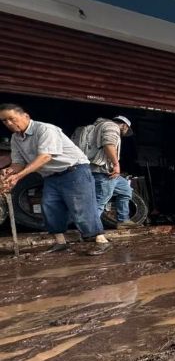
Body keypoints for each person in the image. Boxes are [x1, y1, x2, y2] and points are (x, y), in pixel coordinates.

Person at [0, 103, 110, 254]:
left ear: (25, 116)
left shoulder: (45, 129)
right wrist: (10, 171)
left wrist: (18, 176)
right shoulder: (15, 138)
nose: (9, 124)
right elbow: (18, 162)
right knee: (50, 206)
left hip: (75, 170)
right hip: (51, 175)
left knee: (81, 207)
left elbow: (45, 156)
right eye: (5, 121)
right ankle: (60, 243)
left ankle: (100, 240)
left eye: (12, 119)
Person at [73, 116, 135, 228]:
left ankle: (123, 220)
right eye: (126, 130)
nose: (124, 134)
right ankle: (90, 229)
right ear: (124, 125)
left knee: (125, 190)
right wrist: (116, 164)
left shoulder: (94, 127)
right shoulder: (112, 127)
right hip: (102, 170)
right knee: (100, 200)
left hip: (98, 170)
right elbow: (109, 145)